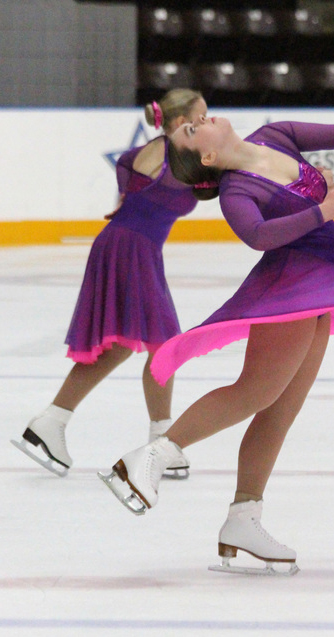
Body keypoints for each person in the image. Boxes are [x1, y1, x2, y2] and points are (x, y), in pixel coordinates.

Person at [98, 117, 334, 574]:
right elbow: (258, 236)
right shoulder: (236, 193)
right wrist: (324, 211)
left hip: (324, 276)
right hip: (292, 282)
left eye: (191, 123)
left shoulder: (272, 136)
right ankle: (150, 457)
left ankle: (243, 518)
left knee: (281, 406)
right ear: (208, 158)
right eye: (192, 133)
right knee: (256, 391)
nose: (196, 120)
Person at [12, 89, 208, 479]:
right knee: (165, 344)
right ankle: (162, 442)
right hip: (133, 248)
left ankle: (50, 422)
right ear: (178, 121)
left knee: (119, 346)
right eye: (199, 118)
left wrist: (126, 203)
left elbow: (126, 170)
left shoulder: (141, 155)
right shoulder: (180, 158)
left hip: (122, 243)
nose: (205, 125)